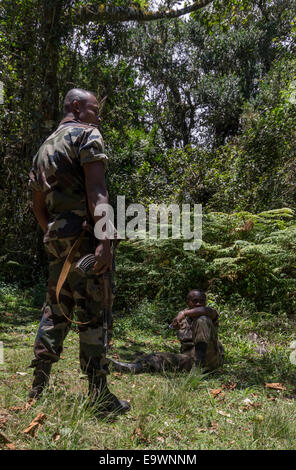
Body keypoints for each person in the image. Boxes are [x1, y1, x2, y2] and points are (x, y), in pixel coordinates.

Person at [28, 88, 130, 415]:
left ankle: (37, 389)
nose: (98, 117)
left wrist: (53, 234)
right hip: (84, 238)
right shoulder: (87, 135)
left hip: (58, 239)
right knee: (94, 311)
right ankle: (99, 397)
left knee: (55, 308)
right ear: (76, 107)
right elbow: (97, 192)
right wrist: (104, 240)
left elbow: (37, 205)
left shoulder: (44, 148)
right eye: (94, 110)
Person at [110, 289, 224, 373]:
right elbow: (181, 336)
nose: (199, 304)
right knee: (158, 358)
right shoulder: (181, 319)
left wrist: (184, 313)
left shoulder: (209, 313)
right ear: (188, 302)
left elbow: (207, 311)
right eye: (195, 301)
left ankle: (199, 366)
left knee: (202, 320)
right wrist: (176, 325)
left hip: (210, 357)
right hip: (189, 358)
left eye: (202, 301)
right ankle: (132, 367)